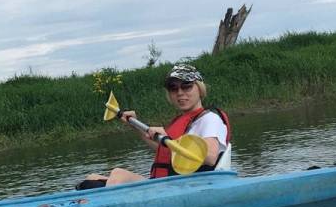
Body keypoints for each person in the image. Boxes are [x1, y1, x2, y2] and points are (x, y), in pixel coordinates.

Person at [78, 64, 230, 188]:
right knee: (91, 179)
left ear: (200, 89)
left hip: (188, 187)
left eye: (186, 86)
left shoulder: (210, 119)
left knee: (118, 174)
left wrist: (172, 140)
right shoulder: (182, 121)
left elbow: (210, 157)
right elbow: (165, 151)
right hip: (167, 184)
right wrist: (136, 125)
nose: (180, 92)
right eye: (173, 88)